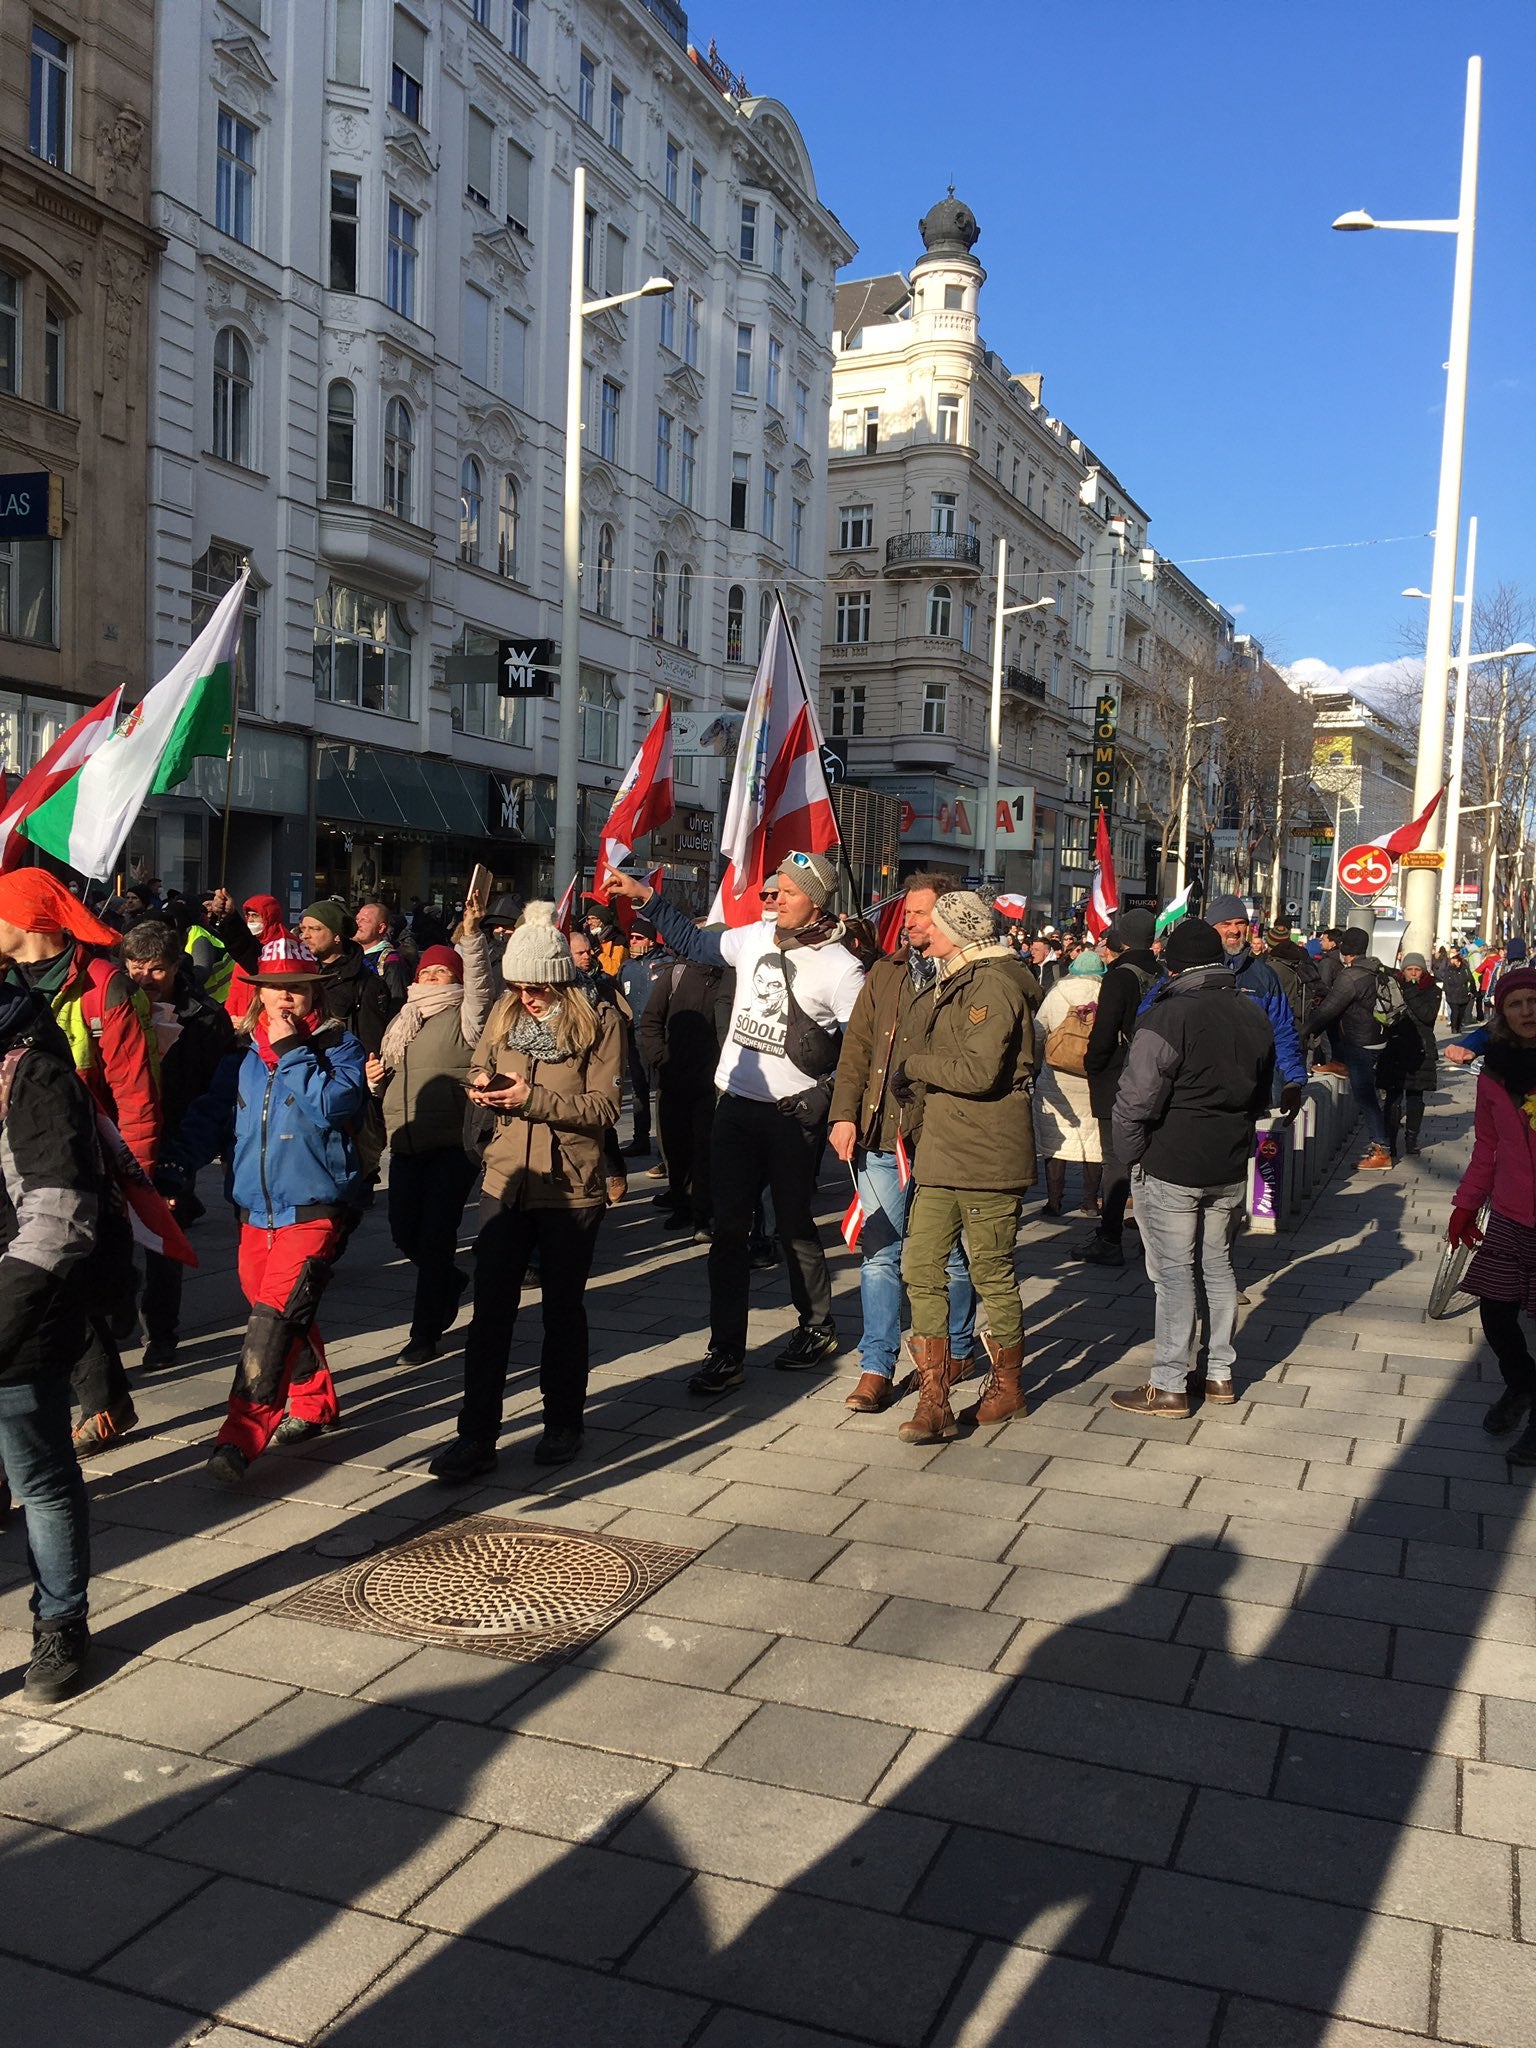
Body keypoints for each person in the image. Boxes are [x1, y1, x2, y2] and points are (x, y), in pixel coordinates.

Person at [608, 852, 866, 1394]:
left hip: (793, 1117)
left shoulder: (842, 968)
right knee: (727, 1233)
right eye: (768, 891)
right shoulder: (754, 937)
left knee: (793, 1226)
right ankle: (725, 1350)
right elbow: (698, 942)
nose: (769, 899)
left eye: (782, 893)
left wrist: (829, 1103)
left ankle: (817, 1328)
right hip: (737, 1105)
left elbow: (861, 1051)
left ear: (814, 900)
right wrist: (646, 899)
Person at [165, 938, 367, 1484]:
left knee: (273, 1320)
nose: (285, 1000)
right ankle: (311, 1400)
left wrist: (295, 1051)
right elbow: (209, 1117)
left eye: (297, 990)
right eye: (275, 989)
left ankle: (240, 1437)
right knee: (273, 1303)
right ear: (257, 996)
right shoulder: (242, 1058)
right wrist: (175, 1167)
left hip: (314, 1206)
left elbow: (336, 1107)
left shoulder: (339, 1049)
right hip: (255, 1209)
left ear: (314, 995)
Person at [428, 905, 620, 1478]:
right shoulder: (504, 1014)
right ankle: (476, 1437)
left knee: (562, 1310)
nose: (527, 997)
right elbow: (481, 1068)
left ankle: (564, 1423)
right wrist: (482, 1088)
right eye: (518, 985)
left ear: (561, 979)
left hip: (570, 1186)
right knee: (490, 1313)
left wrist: (531, 1100)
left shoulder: (600, 1021)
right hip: (505, 1178)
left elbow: (605, 1107)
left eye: (537, 987)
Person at [0, 870, 160, 1452]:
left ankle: (102, 1401)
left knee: (60, 1277)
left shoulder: (103, 986)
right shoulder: (9, 979)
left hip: (82, 1158)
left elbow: (136, 1093)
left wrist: (135, 1184)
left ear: (26, 923)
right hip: (16, 1149)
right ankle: (105, 1398)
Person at [1107, 917, 1276, 1418]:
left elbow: (1135, 1100)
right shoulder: (1253, 1012)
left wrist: (1132, 1155)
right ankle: (1220, 1375)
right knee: (1218, 1265)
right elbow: (1262, 1095)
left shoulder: (1167, 1016)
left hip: (1173, 1159)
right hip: (1227, 1160)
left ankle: (1170, 1383)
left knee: (1174, 1275)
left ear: (1173, 964)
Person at [827, 874, 980, 1415]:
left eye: (922, 913)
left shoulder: (972, 975)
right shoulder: (886, 973)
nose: (910, 921)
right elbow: (857, 1048)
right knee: (879, 1253)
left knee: (952, 1257)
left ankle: (957, 1351)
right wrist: (843, 1112)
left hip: (941, 1138)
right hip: (878, 1134)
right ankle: (876, 1366)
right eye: (909, 913)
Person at [898, 891, 1037, 1443]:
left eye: (931, 921)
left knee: (991, 1273)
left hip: (987, 1153)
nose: (921, 927)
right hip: (943, 1149)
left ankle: (1008, 1387)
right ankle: (935, 1396)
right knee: (920, 1265)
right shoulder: (956, 976)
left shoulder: (993, 983)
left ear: (958, 930)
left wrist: (914, 1066)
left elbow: (980, 1071)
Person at [0, 971, 104, 1701]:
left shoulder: (32, 1076)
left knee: (39, 1479)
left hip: (19, 1322)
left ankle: (61, 1623)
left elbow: (60, 1216)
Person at [368, 942, 492, 1366]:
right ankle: (451, 1281)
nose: (432, 979)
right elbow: (391, 1081)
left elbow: (480, 984)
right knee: (404, 1231)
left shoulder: (468, 1017)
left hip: (453, 1146)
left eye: (443, 973)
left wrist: (473, 939)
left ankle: (424, 1333)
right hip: (406, 1143)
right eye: (427, 972)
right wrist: (373, 1082)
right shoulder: (404, 1020)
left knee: (436, 1236)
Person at [120, 920, 235, 1368]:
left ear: (176, 967)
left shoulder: (205, 1015)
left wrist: (195, 1149)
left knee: (163, 1240)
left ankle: (162, 1333)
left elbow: (217, 1087)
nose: (143, 980)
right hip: (121, 1133)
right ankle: (119, 1315)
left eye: (155, 970)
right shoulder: (114, 1003)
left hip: (174, 1138)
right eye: (134, 968)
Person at [1447, 964, 1536, 1465]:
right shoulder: (1495, 1073)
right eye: (1516, 1004)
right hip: (1510, 1210)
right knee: (1496, 1311)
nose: (1527, 1012)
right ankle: (1521, 1384)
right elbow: (1488, 1146)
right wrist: (1465, 1204)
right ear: (1502, 1013)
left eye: (1533, 1002)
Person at [1077, 908, 1159, 1267]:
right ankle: (1151, 1235)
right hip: (1156, 1075)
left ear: (1121, 941)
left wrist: (1092, 1065)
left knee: (1115, 1160)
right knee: (1150, 1158)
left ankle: (1110, 1238)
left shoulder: (1119, 977)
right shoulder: (1162, 971)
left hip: (1117, 1078)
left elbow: (1104, 1035)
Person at [637, 946, 730, 1239]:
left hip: (710, 1085)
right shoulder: (676, 974)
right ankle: (681, 1204)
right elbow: (650, 1019)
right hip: (673, 1080)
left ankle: (703, 1216)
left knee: (706, 1151)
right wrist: (661, 1059)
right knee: (675, 1149)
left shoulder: (733, 979)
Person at [1305, 926, 1394, 1170]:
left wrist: (1304, 1030)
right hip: (1377, 1036)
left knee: (1365, 1096)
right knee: (1367, 1091)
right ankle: (1340, 1063)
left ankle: (1381, 1149)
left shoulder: (1351, 976)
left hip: (1360, 1041)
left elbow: (1328, 1010)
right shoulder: (1375, 967)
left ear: (1346, 950)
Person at [1204, 895, 1307, 1102]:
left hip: (1251, 1090)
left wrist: (1293, 1079)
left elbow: (1282, 1030)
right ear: (1211, 928)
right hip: (1201, 1089)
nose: (1234, 930)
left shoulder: (1264, 976)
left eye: (1240, 923)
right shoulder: (1193, 970)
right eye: (1225, 924)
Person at [1032, 944, 1105, 1220]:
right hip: (1093, 1078)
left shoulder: (1057, 993)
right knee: (1095, 1142)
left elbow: (1039, 1032)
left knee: (1056, 1140)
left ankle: (1054, 1201)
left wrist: (1037, 1064)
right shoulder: (1105, 993)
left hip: (1057, 1076)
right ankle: (1089, 1202)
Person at [1378, 952, 1442, 1161]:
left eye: (1417, 970)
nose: (1413, 974)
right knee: (1393, 1097)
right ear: (1403, 970)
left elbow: (1427, 1016)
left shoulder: (1432, 990)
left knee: (1416, 1097)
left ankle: (1411, 1140)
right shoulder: (1393, 987)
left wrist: (1412, 991)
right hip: (1395, 1047)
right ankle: (1390, 1140)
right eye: (1409, 969)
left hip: (1421, 1049)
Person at [617, 919, 663, 1158]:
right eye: (631, 938)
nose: (633, 942)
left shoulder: (665, 965)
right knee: (639, 1091)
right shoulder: (627, 968)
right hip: (635, 1039)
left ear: (651, 940)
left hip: (660, 1039)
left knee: (663, 1094)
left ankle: (666, 1148)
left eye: (638, 938)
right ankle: (640, 1139)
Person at [209, 890, 289, 1024]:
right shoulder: (246, 947)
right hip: (239, 1022)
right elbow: (235, 990)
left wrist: (253, 1021)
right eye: (248, 915)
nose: (251, 920)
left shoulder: (283, 948)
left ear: (269, 916)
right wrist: (228, 1018)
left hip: (264, 1024)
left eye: (256, 915)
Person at [354, 898, 410, 1006]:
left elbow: (397, 1003)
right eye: (357, 919)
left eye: (364, 920)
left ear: (381, 928)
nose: (358, 924)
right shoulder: (351, 956)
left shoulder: (391, 961)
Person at [1438, 946, 1477, 1033]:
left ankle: (1458, 1026)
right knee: (1455, 1011)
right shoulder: (1449, 969)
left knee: (1461, 1012)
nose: (1455, 962)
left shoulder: (1465, 969)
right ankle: (1454, 1027)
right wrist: (1448, 992)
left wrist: (1472, 991)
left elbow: (1471, 980)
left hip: (1463, 994)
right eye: (1453, 960)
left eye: (1456, 960)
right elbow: (1446, 982)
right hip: (1452, 994)